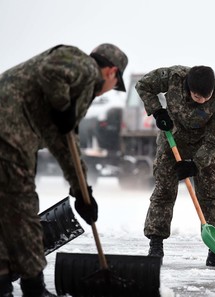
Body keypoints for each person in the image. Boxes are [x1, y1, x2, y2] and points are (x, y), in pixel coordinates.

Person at [0, 43, 128, 297]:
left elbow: (66, 144)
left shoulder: (76, 91)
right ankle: (34, 287)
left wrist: (82, 193)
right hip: (9, 134)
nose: (107, 92)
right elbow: (52, 68)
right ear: (111, 72)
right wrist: (62, 106)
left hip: (11, 135)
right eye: (115, 85)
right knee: (22, 211)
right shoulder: (86, 67)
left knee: (4, 210)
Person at [135, 65, 215, 267]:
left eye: (207, 97)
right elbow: (143, 85)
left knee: (211, 194)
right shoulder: (174, 77)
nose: (203, 101)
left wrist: (195, 164)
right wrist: (157, 111)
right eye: (198, 97)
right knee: (164, 191)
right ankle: (156, 245)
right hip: (172, 139)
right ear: (188, 88)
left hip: (204, 146)